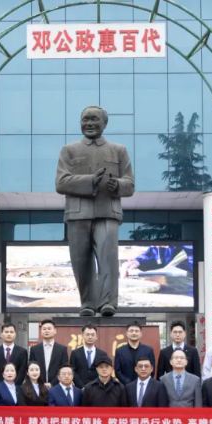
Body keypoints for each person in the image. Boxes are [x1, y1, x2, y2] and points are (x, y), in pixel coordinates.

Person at [56, 105, 135, 317]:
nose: (89, 123)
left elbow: (130, 184)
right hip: (77, 213)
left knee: (108, 257)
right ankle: (88, 303)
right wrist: (91, 181)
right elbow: (61, 183)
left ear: (104, 123)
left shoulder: (118, 150)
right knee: (81, 261)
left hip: (107, 211)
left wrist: (117, 185)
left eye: (94, 119)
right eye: (85, 119)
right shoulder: (69, 150)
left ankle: (108, 302)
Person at [29, 319, 70, 386]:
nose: (46, 331)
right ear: (41, 331)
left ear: (55, 331)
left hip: (57, 385)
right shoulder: (34, 349)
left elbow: (64, 368)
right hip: (39, 385)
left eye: (49, 329)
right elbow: (32, 368)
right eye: (44, 329)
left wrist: (52, 383)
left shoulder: (62, 349)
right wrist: (41, 383)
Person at [70, 323, 110, 388]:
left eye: (92, 335)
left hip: (98, 388)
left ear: (96, 337)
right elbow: (72, 371)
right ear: (82, 336)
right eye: (87, 334)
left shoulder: (102, 354)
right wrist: (81, 386)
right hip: (80, 388)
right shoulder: (75, 353)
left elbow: (104, 371)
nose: (90, 337)